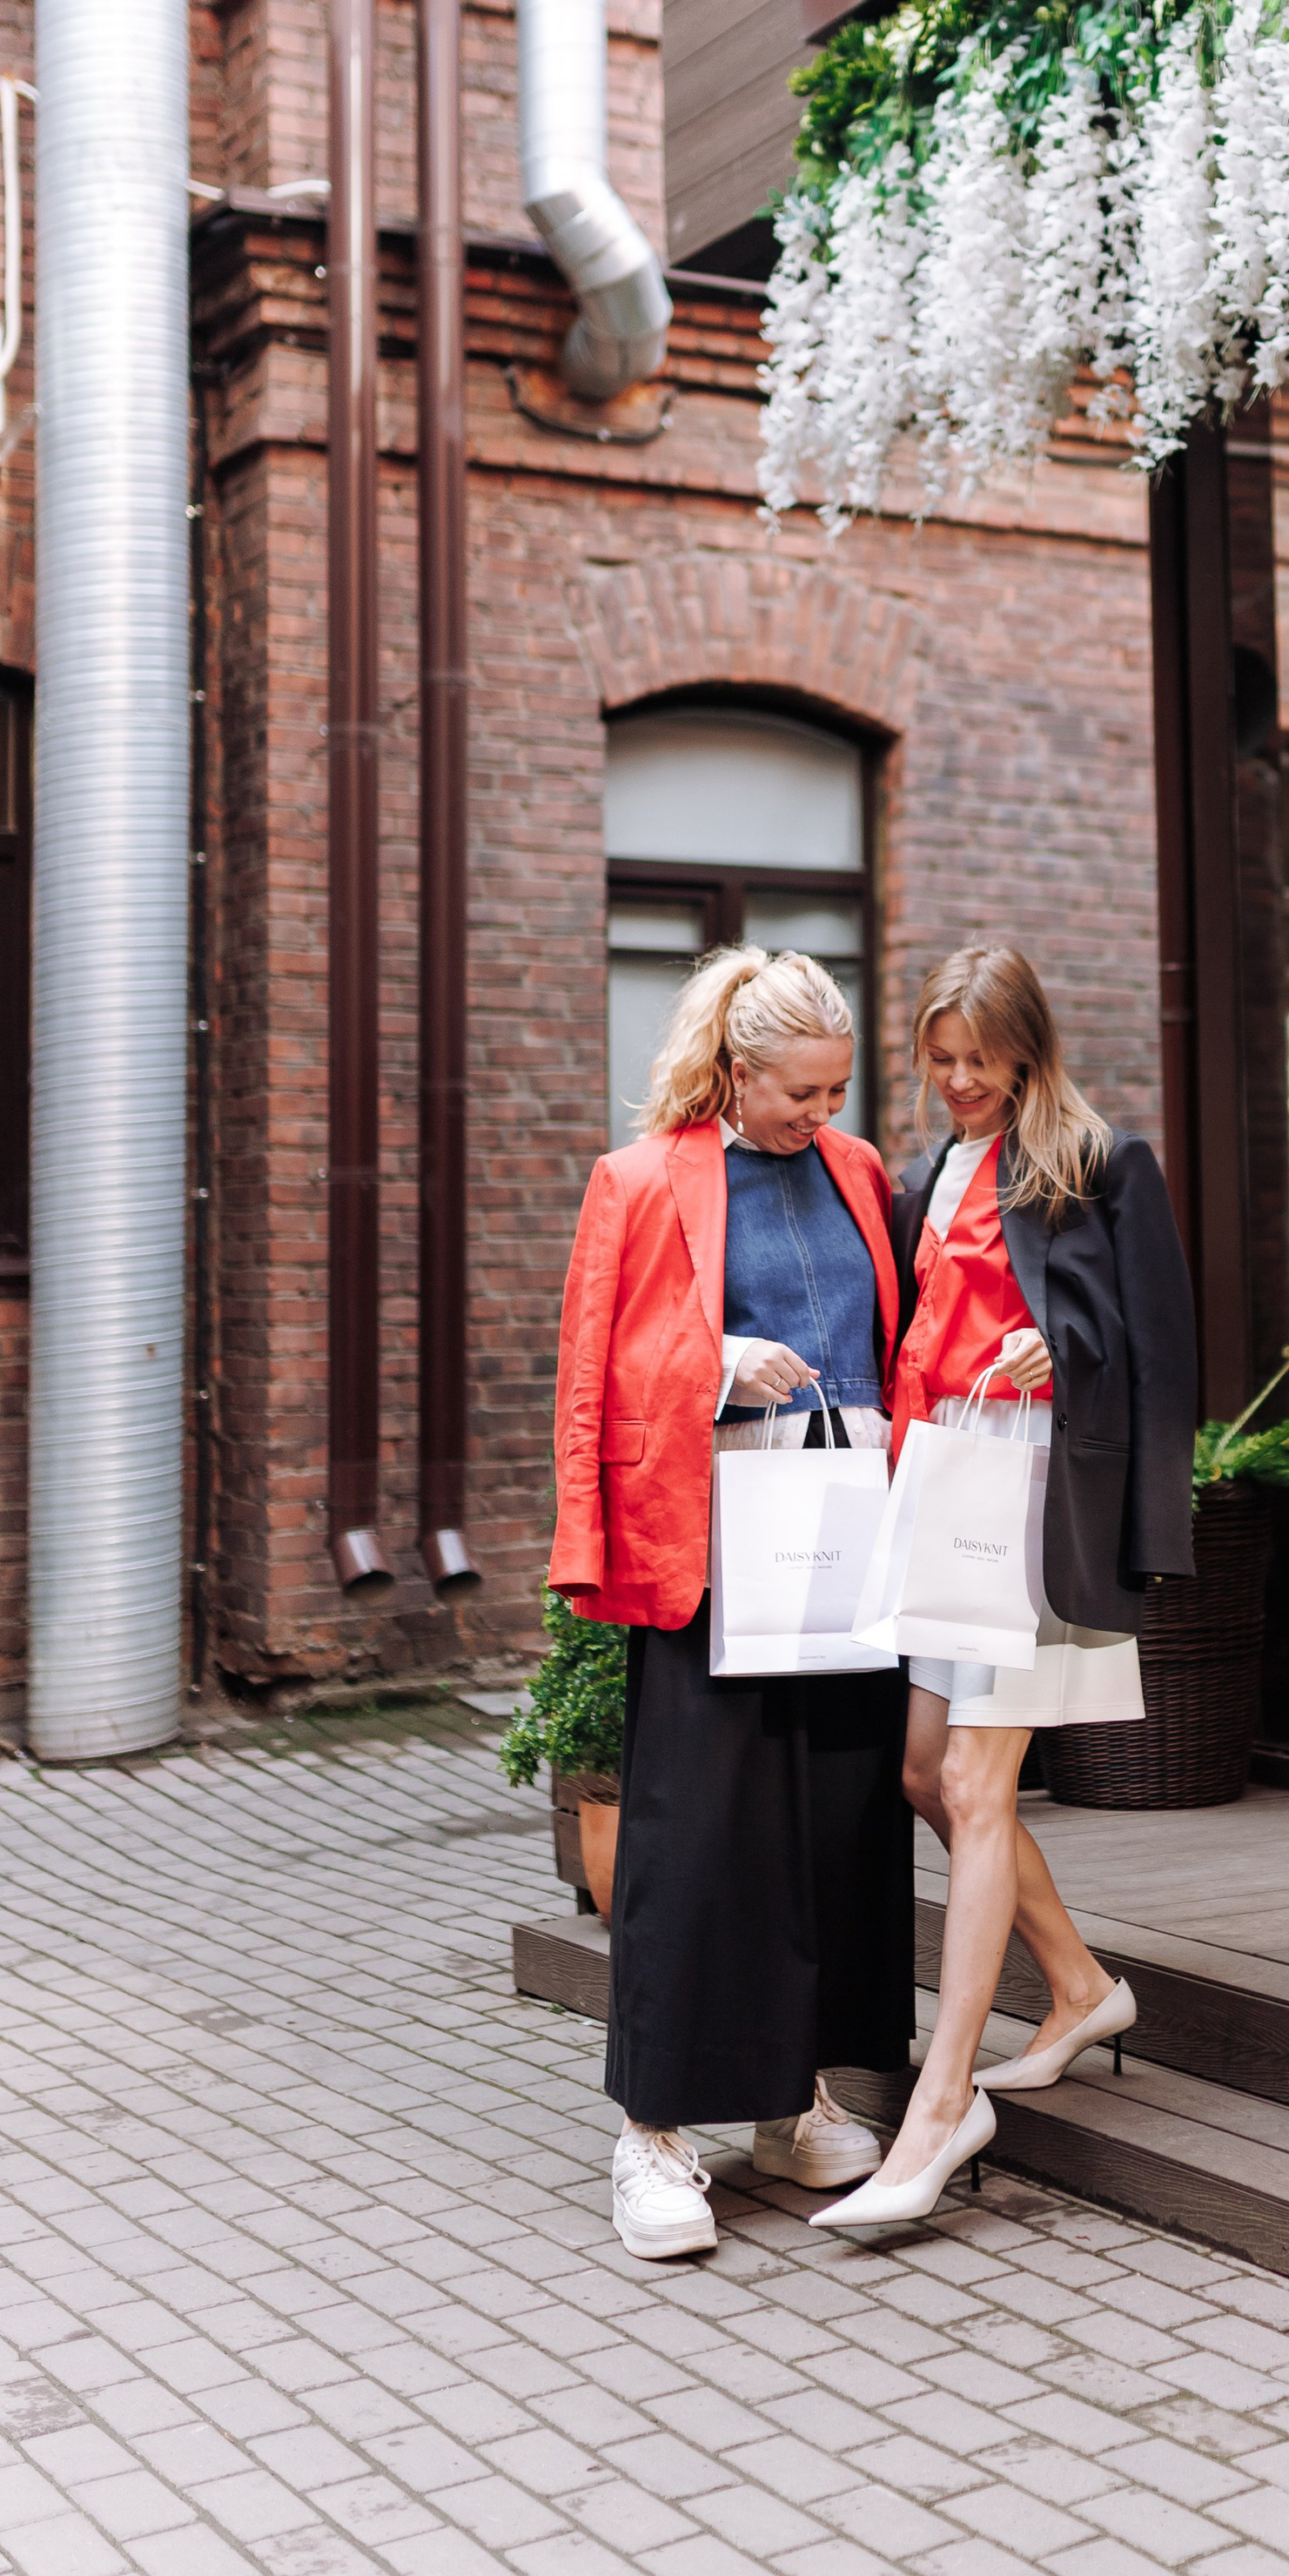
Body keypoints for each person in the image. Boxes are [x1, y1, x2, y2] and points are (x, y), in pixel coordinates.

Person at [814, 943, 1198, 2231]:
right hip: (944, 1490)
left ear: (1029, 1048)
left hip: (1040, 1501)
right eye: (940, 1060)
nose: (960, 1080)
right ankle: (1081, 1986)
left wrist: (1062, 1355)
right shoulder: (931, 1171)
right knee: (927, 1772)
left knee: (978, 1783)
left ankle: (941, 2108)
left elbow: (1159, 1356)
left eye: (981, 1059)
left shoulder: (1101, 1164)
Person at [550, 945, 912, 2262]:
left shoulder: (863, 1175)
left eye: (837, 1090)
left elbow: (898, 1338)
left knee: (834, 1835)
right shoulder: (640, 1181)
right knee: (697, 1848)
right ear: (735, 1069)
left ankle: (794, 2099)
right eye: (801, 1093)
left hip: (845, 1544)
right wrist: (711, 1365)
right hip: (709, 1562)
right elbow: (593, 1374)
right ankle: (652, 2135)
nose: (823, 1115)